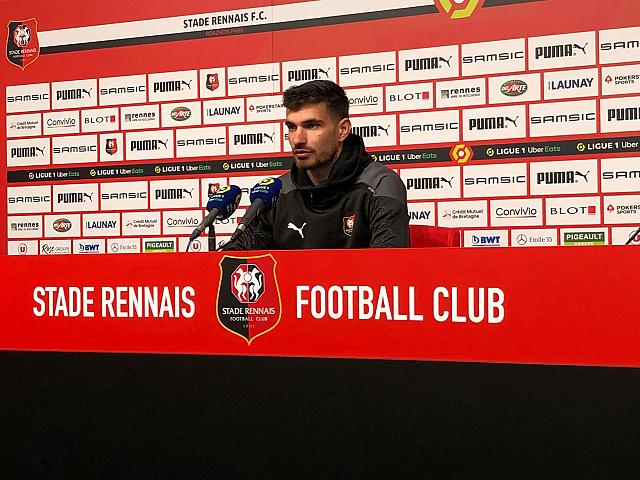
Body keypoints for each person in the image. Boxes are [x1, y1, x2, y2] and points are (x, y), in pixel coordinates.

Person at [222, 80, 409, 250]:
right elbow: (236, 260)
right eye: (291, 127)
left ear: (342, 130)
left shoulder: (379, 185)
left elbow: (388, 271)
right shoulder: (276, 192)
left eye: (312, 126)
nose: (297, 139)